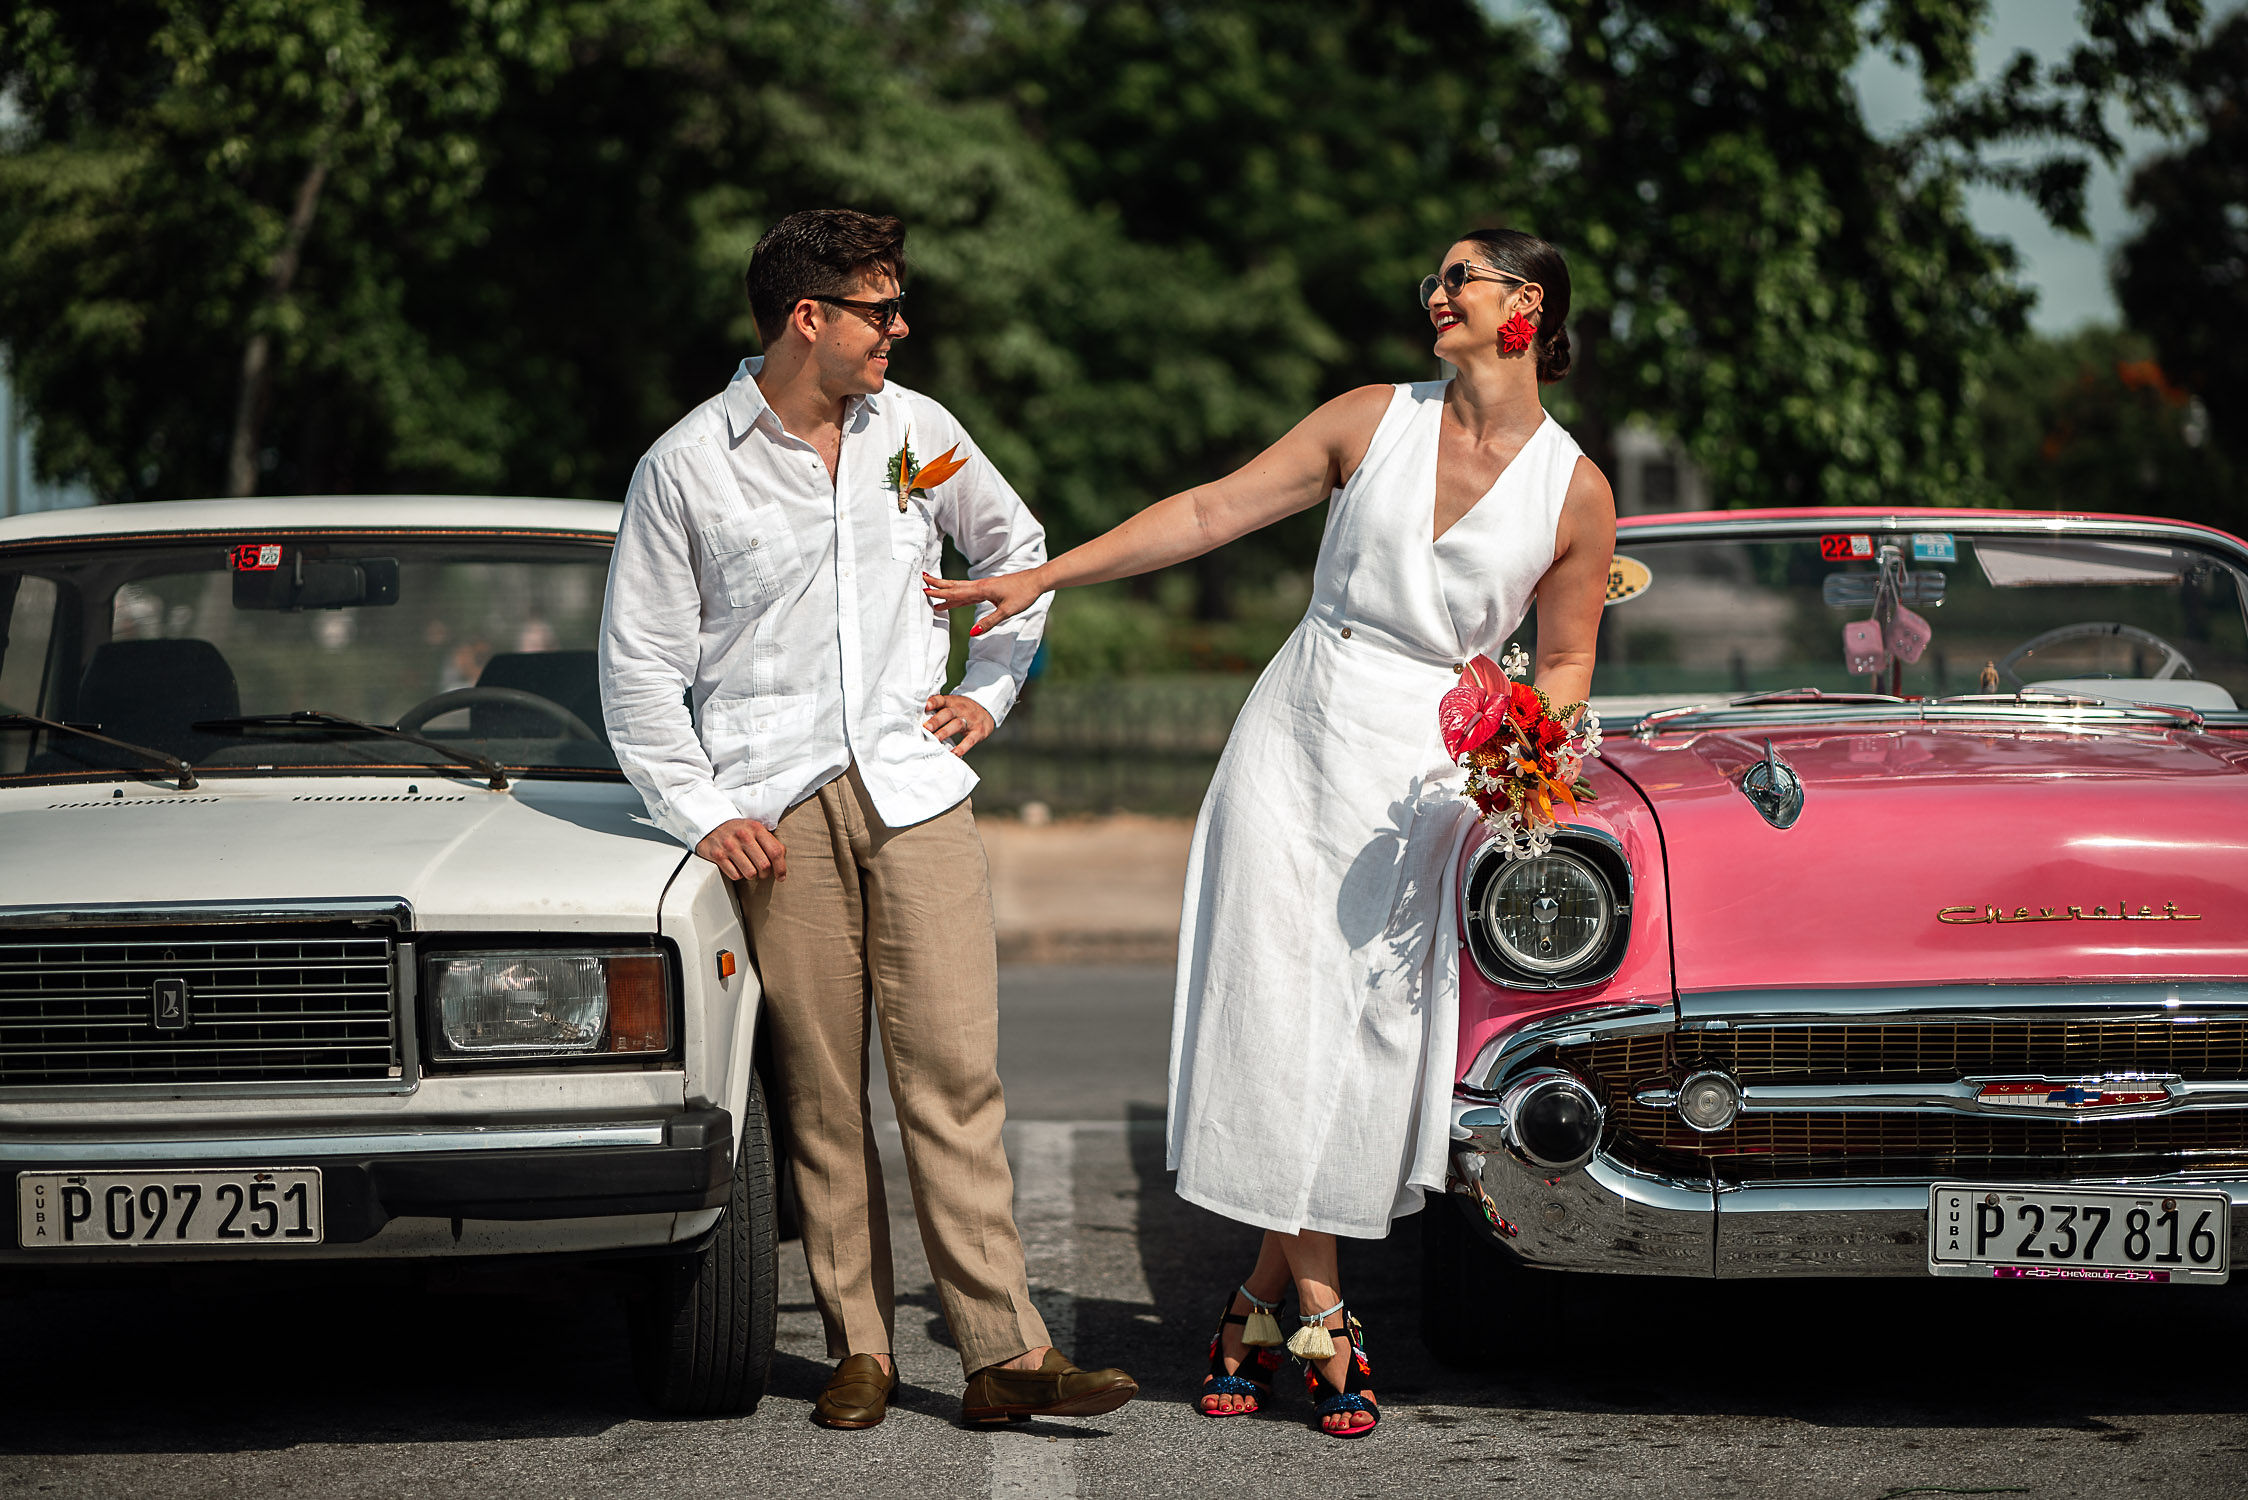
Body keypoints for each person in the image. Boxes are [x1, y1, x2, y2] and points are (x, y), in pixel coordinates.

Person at [925, 228, 1614, 1438]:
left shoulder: (1577, 488)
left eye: (1461, 277)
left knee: (1363, 1041)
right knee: (1276, 1015)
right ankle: (1323, 1311)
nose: (1436, 295)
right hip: (1299, 737)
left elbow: (1561, 662)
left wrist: (1527, 758)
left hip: (1432, 777)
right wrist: (1049, 578)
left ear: (1528, 304)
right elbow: (1206, 512)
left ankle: (1253, 1302)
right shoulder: (1369, 417)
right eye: (1434, 279)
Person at [599, 208, 1137, 1430]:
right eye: (879, 309)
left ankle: (1004, 1353)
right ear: (809, 319)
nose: (902, 326)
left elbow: (1018, 553)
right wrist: (700, 812)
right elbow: (637, 672)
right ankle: (862, 1349)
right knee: (823, 1089)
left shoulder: (919, 433)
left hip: (914, 787)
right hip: (774, 806)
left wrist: (988, 695)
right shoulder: (687, 464)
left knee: (953, 1070)